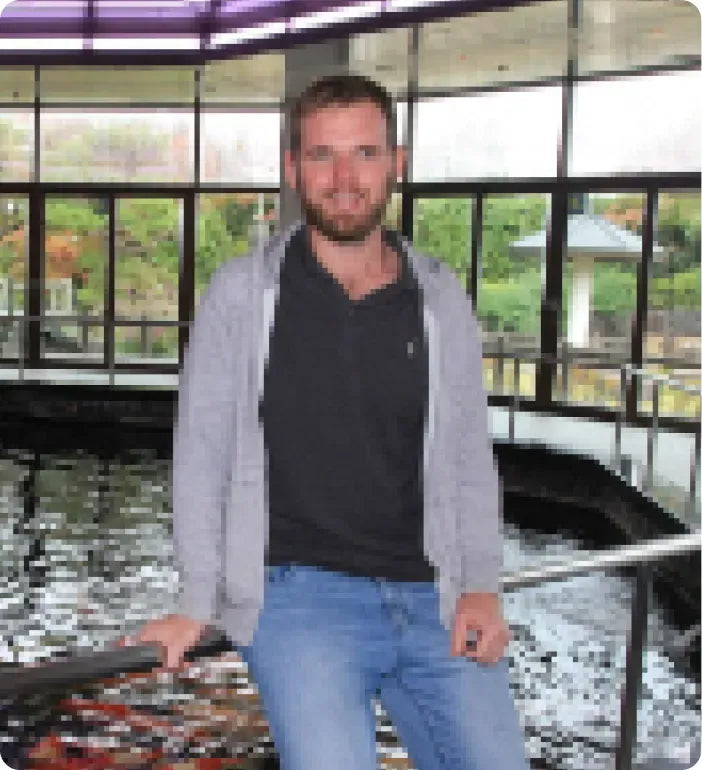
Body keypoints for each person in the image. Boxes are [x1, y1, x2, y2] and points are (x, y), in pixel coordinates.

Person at [124, 74, 530, 770]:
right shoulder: (241, 296)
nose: (345, 178)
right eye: (322, 156)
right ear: (292, 169)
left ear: (397, 163)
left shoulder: (438, 299)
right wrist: (198, 600)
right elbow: (201, 457)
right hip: (299, 602)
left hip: (432, 599)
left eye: (366, 154)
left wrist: (481, 586)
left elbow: (466, 454)